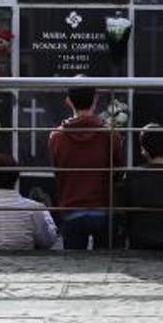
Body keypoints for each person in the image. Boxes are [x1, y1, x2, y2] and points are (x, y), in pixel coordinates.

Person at [48, 85, 125, 249]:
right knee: (105, 264)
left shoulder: (57, 137)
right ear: (96, 100)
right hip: (103, 208)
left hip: (71, 209)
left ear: (68, 102)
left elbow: (58, 171)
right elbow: (119, 171)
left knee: (75, 269)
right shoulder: (110, 134)